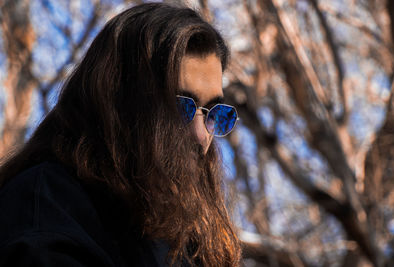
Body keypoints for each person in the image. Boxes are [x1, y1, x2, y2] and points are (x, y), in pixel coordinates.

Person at [0, 2, 241, 266]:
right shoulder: (47, 212)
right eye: (178, 107)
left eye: (214, 113)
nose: (200, 135)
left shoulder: (187, 240)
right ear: (118, 102)